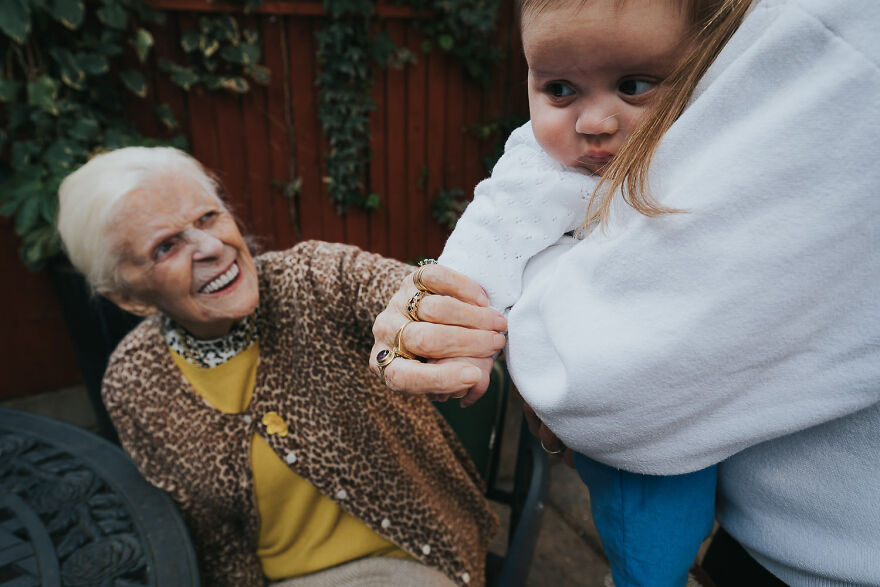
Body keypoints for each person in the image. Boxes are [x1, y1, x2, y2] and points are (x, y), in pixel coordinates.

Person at [372, 0, 880, 585]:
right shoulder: (545, 167)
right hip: (652, 462)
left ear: (701, 71)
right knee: (652, 536)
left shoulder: (723, 132)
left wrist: (543, 297)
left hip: (770, 495)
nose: (594, 121)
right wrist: (463, 328)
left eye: (633, 85)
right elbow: (487, 240)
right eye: (559, 88)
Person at [56, 146, 501, 587]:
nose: (211, 247)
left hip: (408, 556)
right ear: (129, 298)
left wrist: (418, 309)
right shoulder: (133, 383)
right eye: (166, 246)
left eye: (208, 217)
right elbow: (209, 541)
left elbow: (386, 287)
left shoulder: (309, 279)